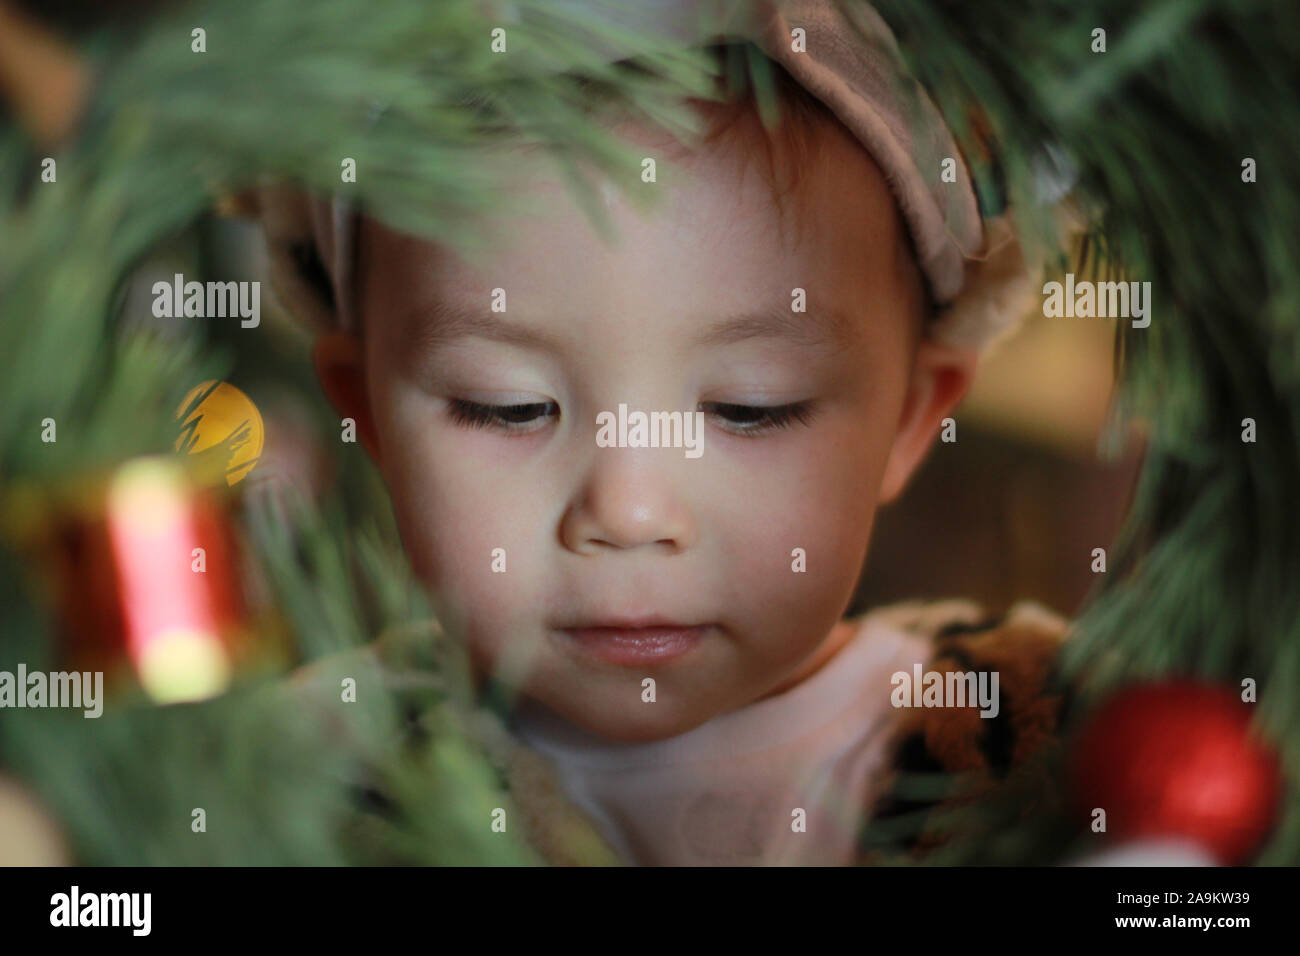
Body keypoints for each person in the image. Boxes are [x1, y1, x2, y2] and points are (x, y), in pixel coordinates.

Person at [253, 0, 1070, 865]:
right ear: (370, 416)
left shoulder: (1043, 755)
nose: (629, 513)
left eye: (751, 409)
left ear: (911, 418)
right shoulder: (291, 784)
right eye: (508, 406)